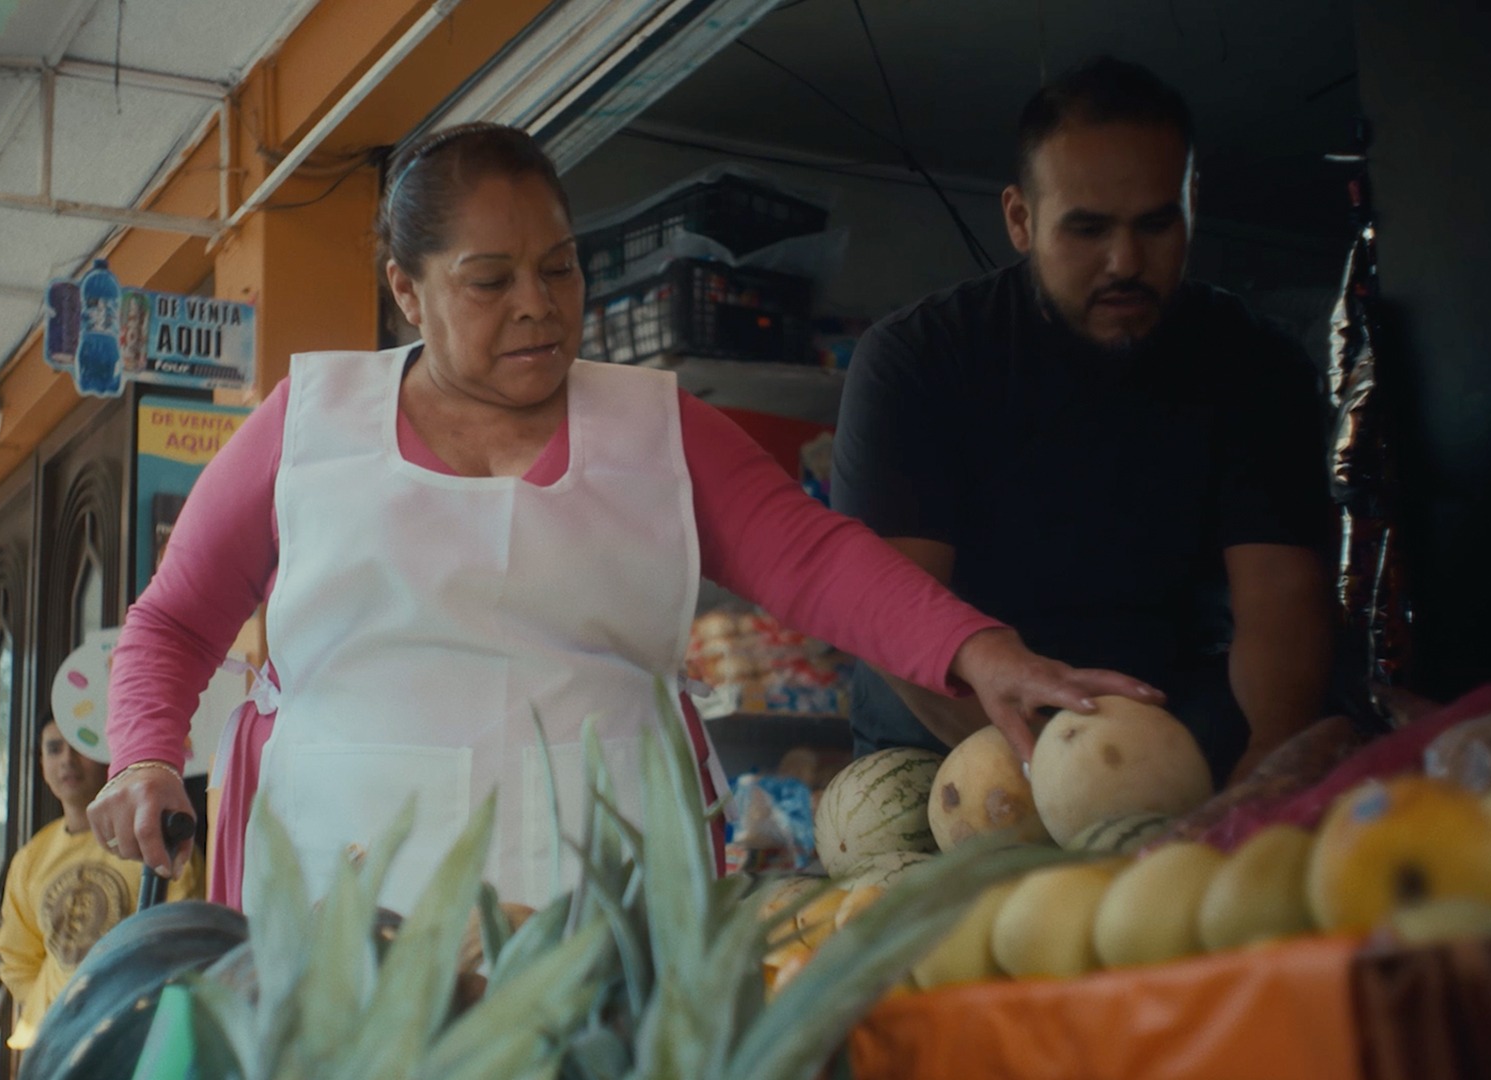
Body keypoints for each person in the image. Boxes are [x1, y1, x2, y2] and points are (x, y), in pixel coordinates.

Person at [90, 122, 1163, 914]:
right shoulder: (308, 424)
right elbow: (173, 623)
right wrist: (142, 758)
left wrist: (976, 649)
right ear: (407, 293)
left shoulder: (657, 425)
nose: (538, 305)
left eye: (559, 269)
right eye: (489, 280)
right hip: (336, 890)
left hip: (609, 892)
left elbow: (815, 558)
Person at [832, 57, 1334, 787]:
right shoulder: (916, 358)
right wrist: (1048, 785)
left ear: (1192, 201)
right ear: (1020, 220)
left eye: (1157, 224)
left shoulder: (1255, 364)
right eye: (1088, 229)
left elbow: (1282, 604)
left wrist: (1265, 770)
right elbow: (891, 606)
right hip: (946, 744)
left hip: (1158, 733)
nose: (1125, 261)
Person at [0, 720, 203, 1050]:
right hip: (55, 1043)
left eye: (81, 744)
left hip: (133, 1039)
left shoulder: (150, 838)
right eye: (53, 749)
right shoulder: (30, 858)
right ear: (41, 764)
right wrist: (51, 1013)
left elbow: (182, 943)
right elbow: (16, 957)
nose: (67, 760)